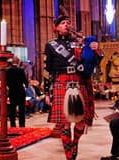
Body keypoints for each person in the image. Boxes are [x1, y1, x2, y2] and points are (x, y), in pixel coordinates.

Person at [44, 15, 103, 160]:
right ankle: (69, 156)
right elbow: (48, 71)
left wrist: (96, 50)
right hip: (61, 82)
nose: (66, 25)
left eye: (68, 23)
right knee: (64, 124)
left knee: (81, 120)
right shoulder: (51, 45)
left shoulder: (80, 44)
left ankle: (74, 142)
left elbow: (94, 61)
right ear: (56, 27)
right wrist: (47, 92)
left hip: (79, 80)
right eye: (63, 23)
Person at [6, 56, 28, 127]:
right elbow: (25, 81)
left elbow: (6, 82)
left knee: (12, 109)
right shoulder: (21, 70)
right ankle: (22, 125)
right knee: (22, 110)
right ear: (18, 62)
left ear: (11, 62)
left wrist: (10, 87)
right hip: (20, 92)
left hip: (12, 92)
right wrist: (26, 86)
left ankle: (13, 125)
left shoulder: (7, 70)